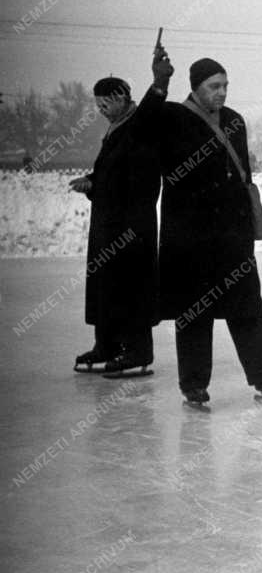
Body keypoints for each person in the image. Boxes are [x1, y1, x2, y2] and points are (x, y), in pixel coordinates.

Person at [140, 47, 262, 405]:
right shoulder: (172, 116)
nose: (222, 92)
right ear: (195, 87)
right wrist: (159, 84)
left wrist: (247, 226)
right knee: (195, 313)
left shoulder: (234, 120)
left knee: (248, 309)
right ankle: (193, 385)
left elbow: (244, 175)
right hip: (190, 237)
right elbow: (141, 129)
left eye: (225, 85)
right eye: (214, 86)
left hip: (232, 235)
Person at [69, 77, 160, 377]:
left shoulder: (140, 124)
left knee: (132, 286)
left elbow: (151, 105)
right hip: (108, 222)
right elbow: (111, 172)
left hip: (133, 225)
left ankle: (138, 350)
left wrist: (160, 80)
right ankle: (107, 345)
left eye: (105, 103)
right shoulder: (114, 130)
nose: (101, 110)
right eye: (98, 105)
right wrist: (91, 182)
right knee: (105, 285)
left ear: (122, 98)